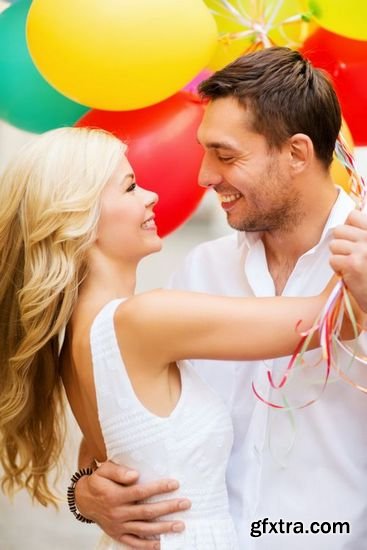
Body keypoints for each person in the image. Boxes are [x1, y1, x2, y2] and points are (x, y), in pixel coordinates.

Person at [0, 125, 354, 550]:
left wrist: (83, 491)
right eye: (130, 187)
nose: (150, 196)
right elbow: (330, 321)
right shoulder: (145, 319)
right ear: (79, 217)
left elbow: (110, 460)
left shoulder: (76, 338)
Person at [74, 47, 367, 550]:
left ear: (297, 154)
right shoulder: (201, 270)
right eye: (204, 151)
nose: (203, 176)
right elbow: (124, 425)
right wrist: (86, 493)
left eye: (226, 155)